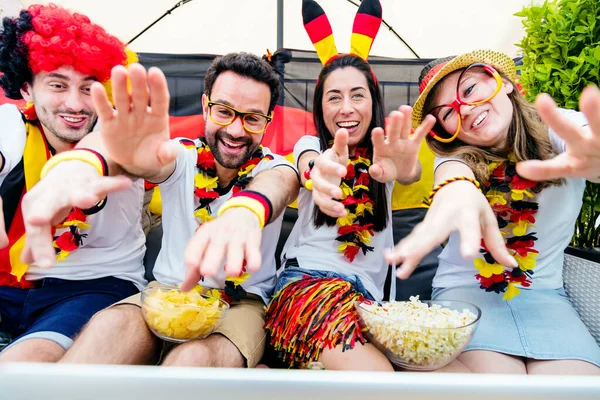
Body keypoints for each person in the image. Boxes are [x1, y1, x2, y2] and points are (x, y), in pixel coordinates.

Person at [22, 52, 299, 368]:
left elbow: (278, 184)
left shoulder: (275, 167)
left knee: (192, 359)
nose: (236, 131)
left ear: (268, 121)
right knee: (110, 328)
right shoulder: (181, 155)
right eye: (224, 112)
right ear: (206, 107)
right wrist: (83, 161)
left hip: (239, 306)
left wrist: (248, 209)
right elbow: (141, 157)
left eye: (251, 118)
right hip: (162, 295)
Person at [263, 0, 459, 371]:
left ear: (374, 101)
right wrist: (316, 171)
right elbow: (307, 166)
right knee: (377, 377)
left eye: (357, 95)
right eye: (333, 97)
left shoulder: (386, 153)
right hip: (307, 286)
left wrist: (403, 166)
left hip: (368, 303)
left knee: (432, 366)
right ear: (320, 107)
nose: (346, 108)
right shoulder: (311, 147)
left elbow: (409, 172)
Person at [388, 49, 600, 375]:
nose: (466, 110)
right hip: (467, 298)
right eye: (448, 112)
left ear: (504, 83)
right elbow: (454, 176)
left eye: (469, 90)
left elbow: (585, 140)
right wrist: (458, 189)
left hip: (546, 298)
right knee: (501, 389)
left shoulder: (560, 127)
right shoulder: (455, 157)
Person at [0, 3, 145, 363]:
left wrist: (80, 168)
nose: (75, 104)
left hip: (93, 287)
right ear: (27, 90)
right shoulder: (11, 124)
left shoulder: (118, 132)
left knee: (21, 366)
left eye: (88, 87)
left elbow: (107, 151)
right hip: (11, 287)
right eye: (58, 85)